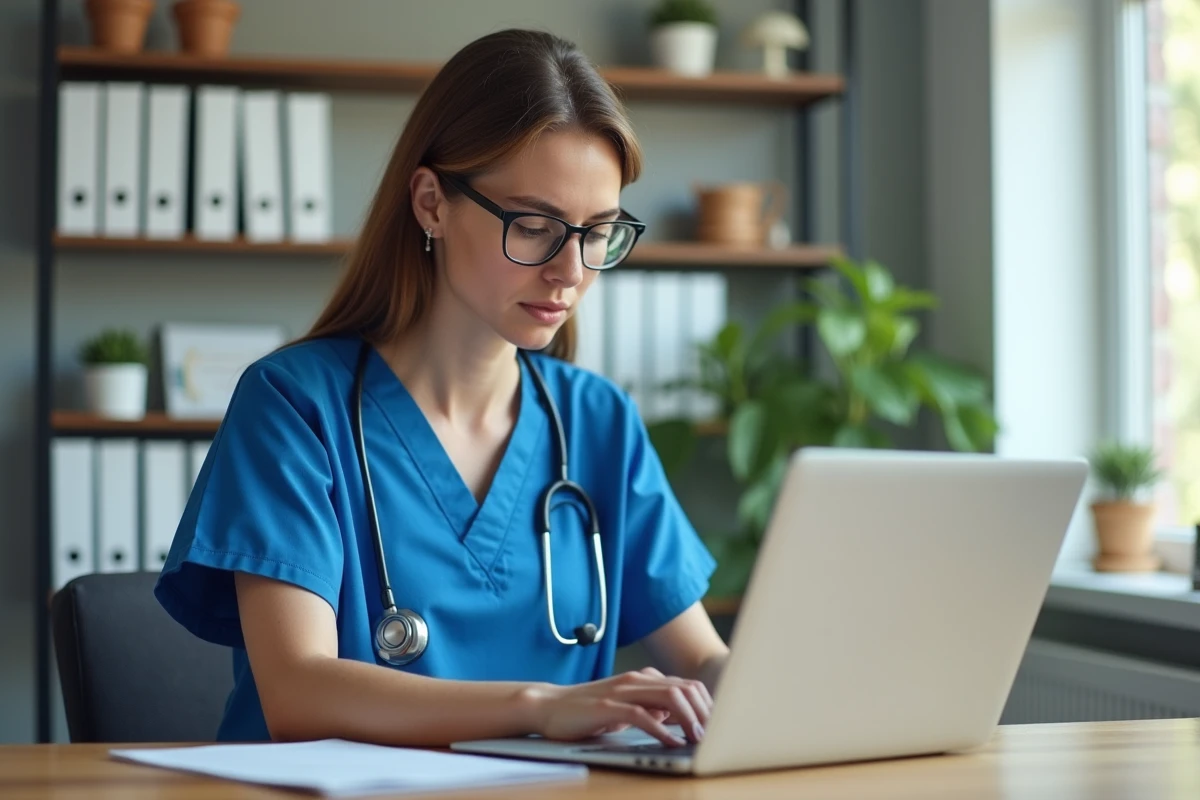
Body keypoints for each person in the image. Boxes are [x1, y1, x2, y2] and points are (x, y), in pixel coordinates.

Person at [155, 28, 729, 749]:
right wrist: (543, 706)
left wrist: (759, 691)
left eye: (597, 233)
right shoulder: (295, 406)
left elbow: (702, 657)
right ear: (431, 203)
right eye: (534, 226)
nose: (570, 272)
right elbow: (298, 689)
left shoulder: (597, 422)